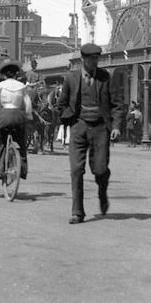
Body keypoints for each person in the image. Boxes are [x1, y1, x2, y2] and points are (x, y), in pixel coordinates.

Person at [57, 43, 124, 225]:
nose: (94, 62)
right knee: (76, 170)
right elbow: (61, 105)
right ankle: (77, 212)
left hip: (100, 129)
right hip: (79, 128)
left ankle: (102, 191)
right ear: (82, 59)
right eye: (90, 58)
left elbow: (117, 104)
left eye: (96, 58)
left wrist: (116, 126)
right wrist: (71, 120)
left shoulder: (106, 78)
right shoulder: (71, 78)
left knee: (100, 169)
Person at [0, 60, 33, 194]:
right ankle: (19, 168)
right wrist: (27, 116)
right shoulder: (21, 86)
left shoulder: (0, 86)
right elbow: (27, 105)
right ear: (16, 74)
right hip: (18, 116)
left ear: (4, 75)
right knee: (21, 142)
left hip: (4, 115)